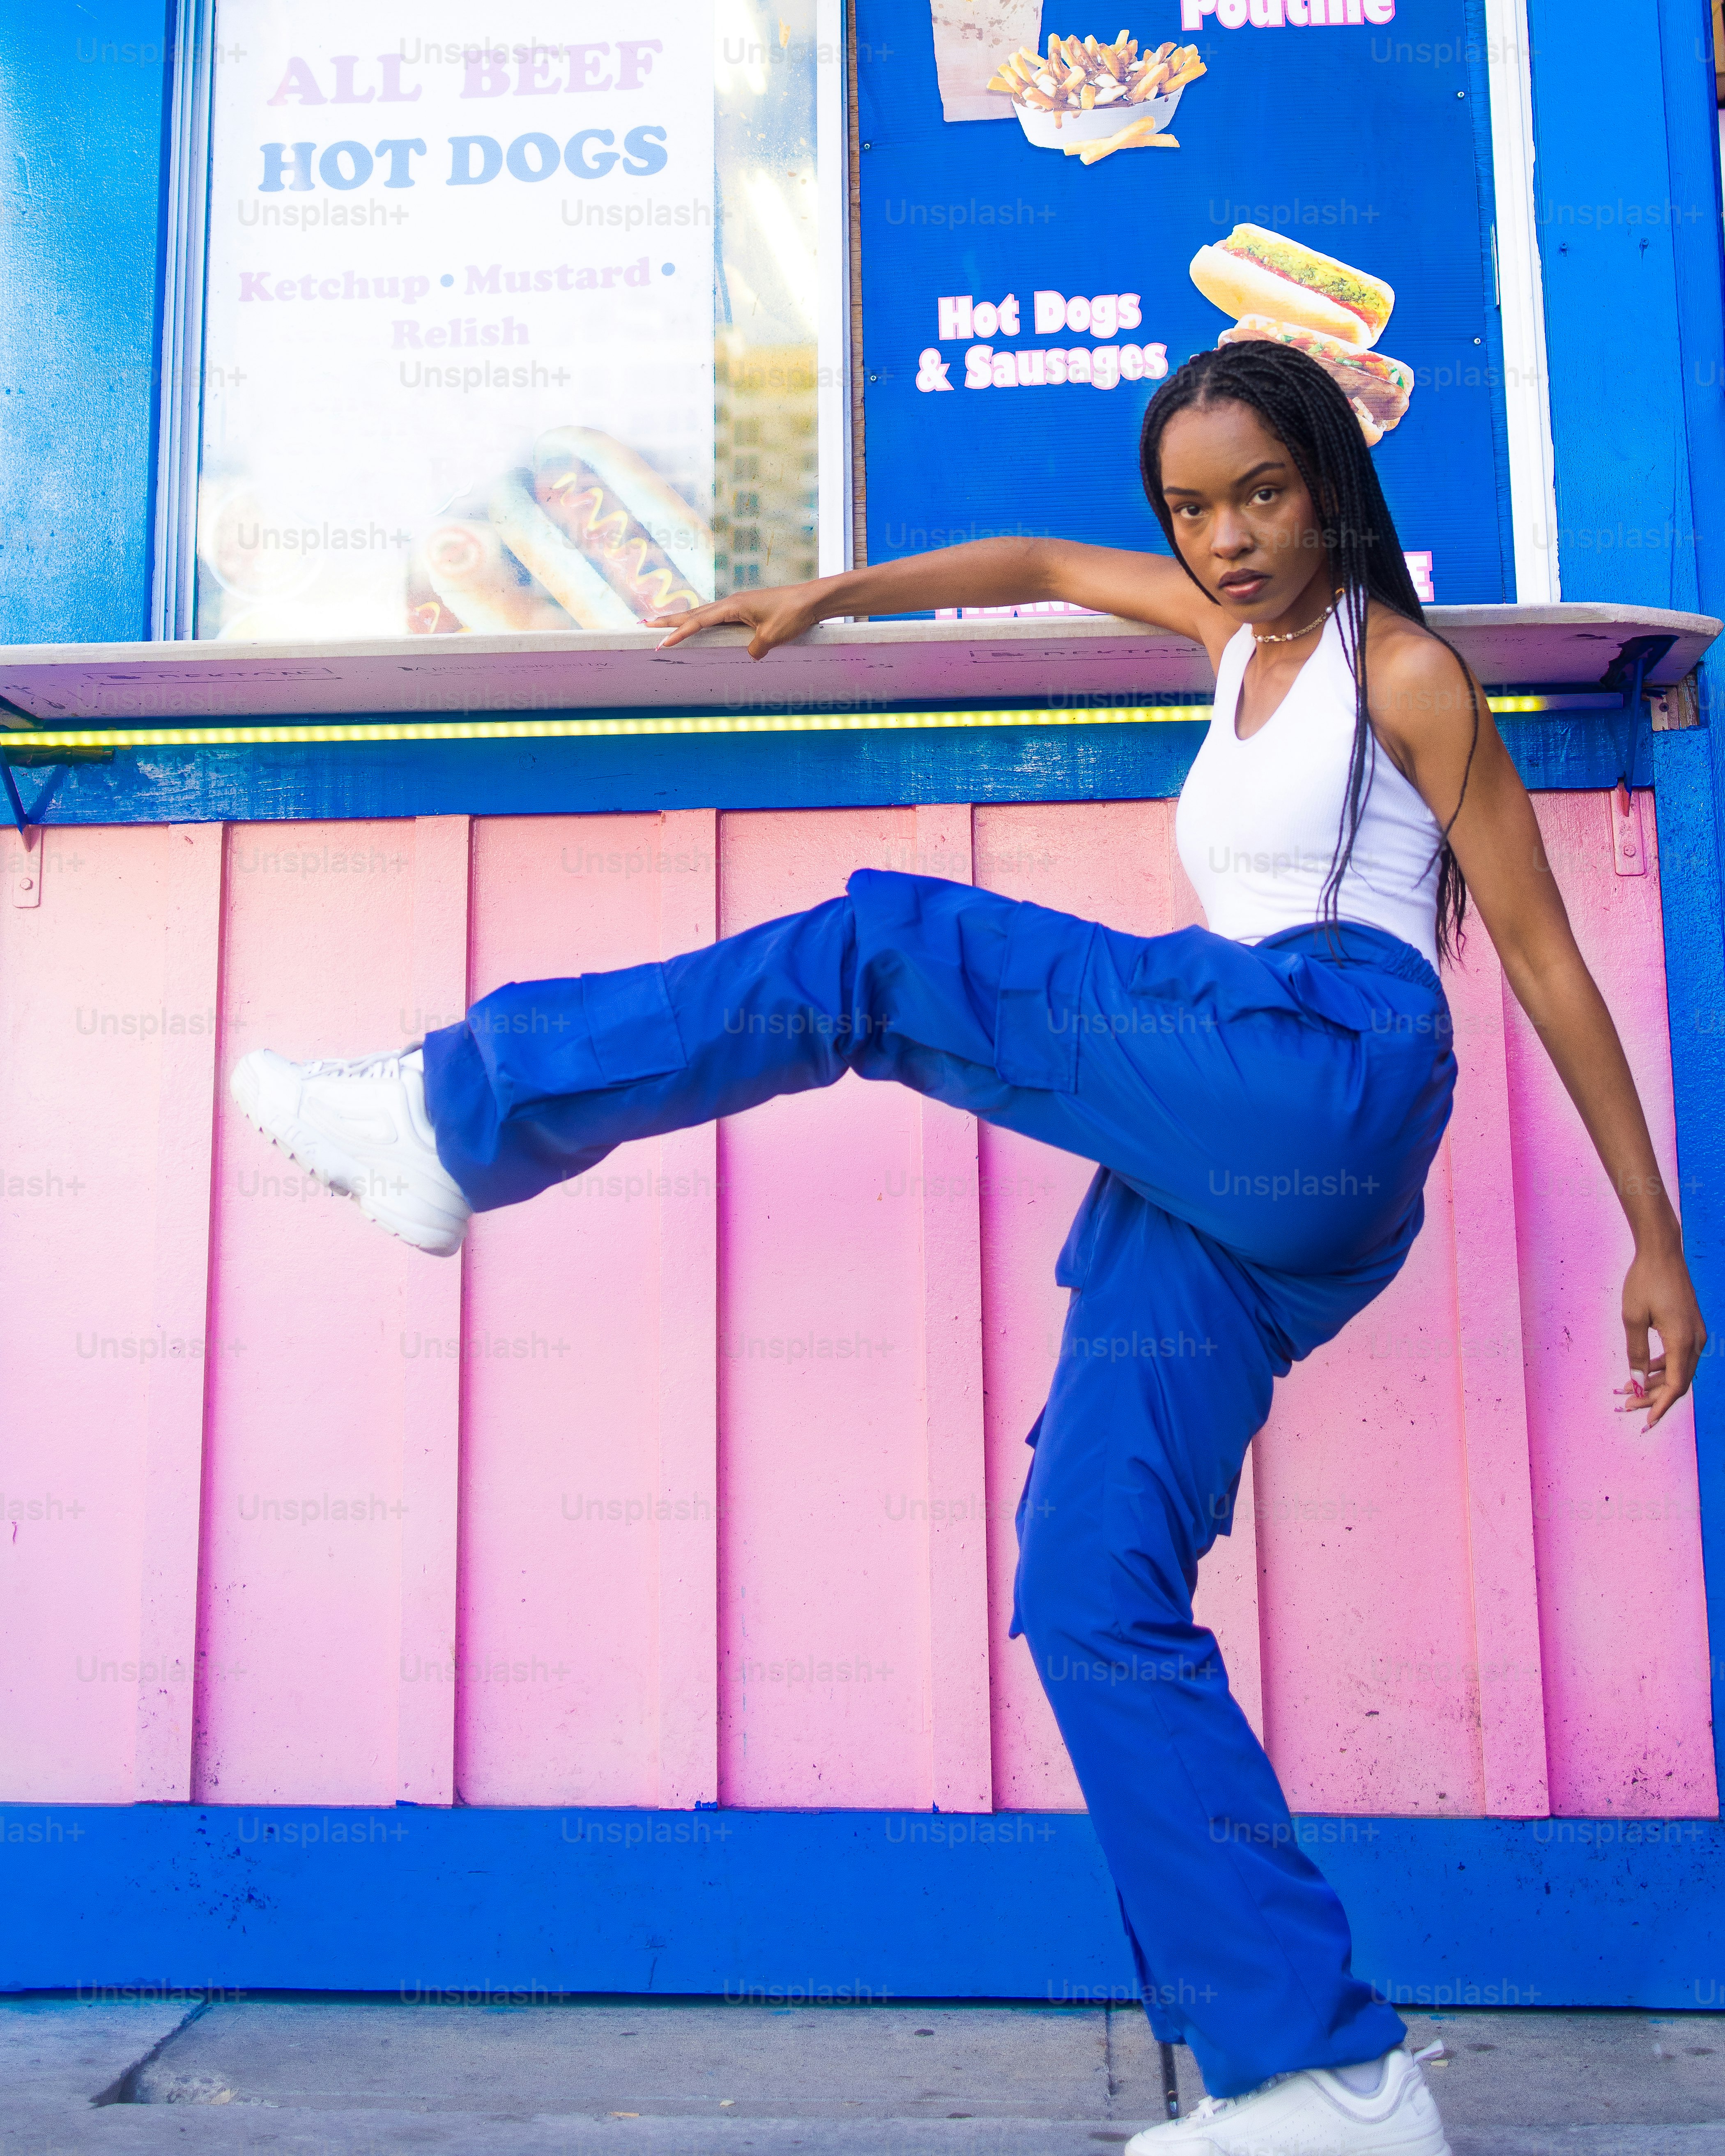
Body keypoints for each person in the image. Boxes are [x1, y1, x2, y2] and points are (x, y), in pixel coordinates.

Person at [230, 344, 1704, 2154]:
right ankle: (1324, 2077)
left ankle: (455, 1113)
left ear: (1328, 480)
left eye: (1260, 493)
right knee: (1090, 1587)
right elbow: (1027, 556)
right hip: (1237, 1157)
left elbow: (1546, 954)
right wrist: (833, 593)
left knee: (878, 953)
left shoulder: (1403, 671)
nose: (1227, 539)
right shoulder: (1223, 632)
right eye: (1190, 507)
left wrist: (1656, 1236)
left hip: (1324, 1064)